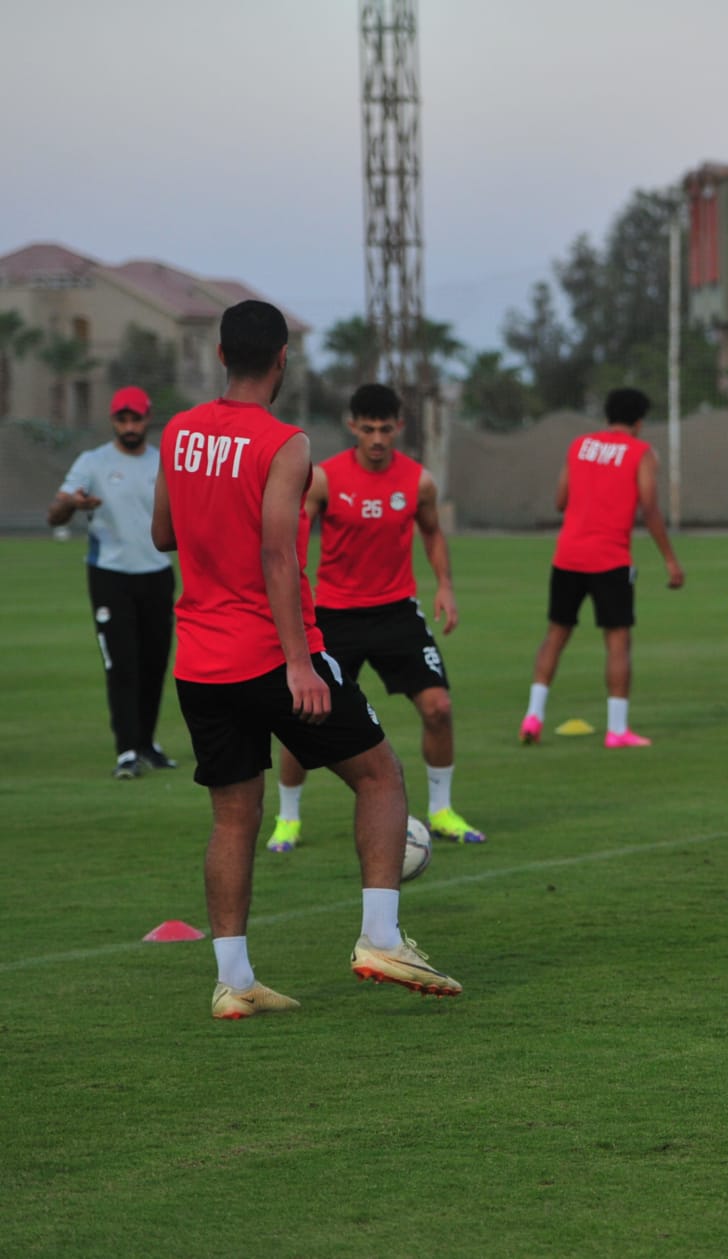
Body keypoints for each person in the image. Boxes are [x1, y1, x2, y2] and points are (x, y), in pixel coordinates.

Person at [152, 300, 461, 1020]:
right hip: (267, 651)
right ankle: (380, 938)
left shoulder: (178, 431)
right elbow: (278, 554)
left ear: (220, 355)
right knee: (379, 776)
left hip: (198, 660)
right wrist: (299, 662)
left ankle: (234, 981)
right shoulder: (285, 442)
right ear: (283, 359)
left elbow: (163, 533)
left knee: (234, 818)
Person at [266, 383, 484, 853]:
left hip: (396, 612)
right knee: (303, 713)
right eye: (369, 429)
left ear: (399, 427)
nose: (378, 439)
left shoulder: (419, 482)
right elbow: (291, 542)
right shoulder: (323, 479)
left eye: (386, 429)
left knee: (439, 708)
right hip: (335, 615)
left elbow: (432, 533)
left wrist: (445, 585)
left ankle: (442, 811)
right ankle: (287, 818)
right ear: (353, 427)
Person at [519, 387, 684, 748]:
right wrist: (670, 559)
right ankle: (617, 729)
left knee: (555, 635)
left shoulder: (579, 446)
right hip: (610, 559)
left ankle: (533, 716)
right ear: (639, 422)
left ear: (607, 416)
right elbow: (650, 508)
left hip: (567, 556)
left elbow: (560, 500)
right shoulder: (640, 453)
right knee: (618, 641)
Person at [47, 386, 178, 779]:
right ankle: (127, 750)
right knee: (121, 664)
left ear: (148, 419)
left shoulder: (163, 462)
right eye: (123, 419)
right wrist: (72, 504)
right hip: (110, 576)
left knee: (154, 663)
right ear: (113, 421)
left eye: (136, 418)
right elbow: (55, 514)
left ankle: (147, 743)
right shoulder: (93, 462)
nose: (130, 426)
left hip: (157, 573)